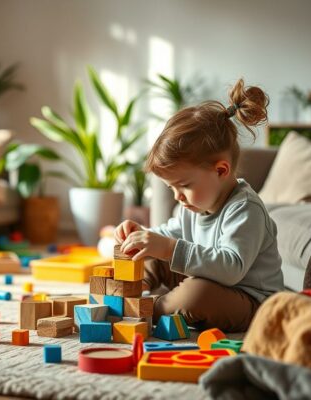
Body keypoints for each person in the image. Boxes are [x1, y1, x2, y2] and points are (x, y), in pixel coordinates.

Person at [115, 78, 284, 332]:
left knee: (196, 295)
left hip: (250, 301)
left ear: (221, 170)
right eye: (171, 188)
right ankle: (129, 291)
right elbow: (168, 235)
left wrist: (170, 249)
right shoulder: (194, 207)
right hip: (209, 280)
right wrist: (142, 236)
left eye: (184, 185)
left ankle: (151, 310)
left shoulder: (245, 209)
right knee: (150, 255)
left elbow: (231, 269)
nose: (177, 197)